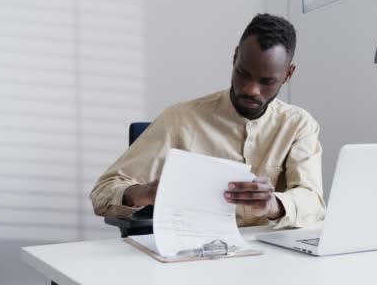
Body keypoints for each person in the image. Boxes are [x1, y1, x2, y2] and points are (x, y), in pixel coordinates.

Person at [90, 13, 324, 228]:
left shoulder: (298, 125)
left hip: (271, 258)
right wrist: (142, 192)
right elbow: (102, 192)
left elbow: (313, 201)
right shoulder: (180, 120)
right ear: (234, 58)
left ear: (288, 74)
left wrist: (274, 204)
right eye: (243, 73)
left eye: (266, 81)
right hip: (195, 257)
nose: (251, 89)